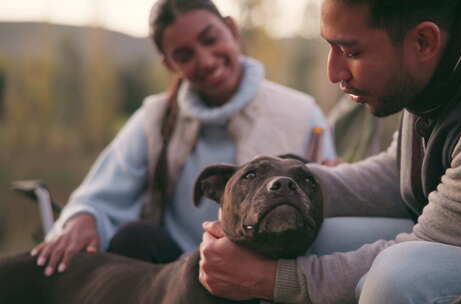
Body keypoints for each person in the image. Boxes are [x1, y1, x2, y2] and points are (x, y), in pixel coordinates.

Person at [198, 0, 461, 303]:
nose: (334, 72)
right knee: (323, 234)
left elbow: (435, 245)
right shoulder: (449, 48)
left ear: (423, 42)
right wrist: (271, 193)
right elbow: (398, 174)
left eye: (350, 50)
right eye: (331, 46)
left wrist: (269, 281)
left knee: (400, 277)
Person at [30, 0, 335, 278]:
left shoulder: (301, 113)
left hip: (268, 270)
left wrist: (336, 176)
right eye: (184, 55)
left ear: (231, 29)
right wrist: (84, 217)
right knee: (135, 237)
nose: (204, 60)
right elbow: (102, 193)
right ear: (169, 65)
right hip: (175, 272)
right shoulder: (155, 118)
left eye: (210, 39)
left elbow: (328, 196)